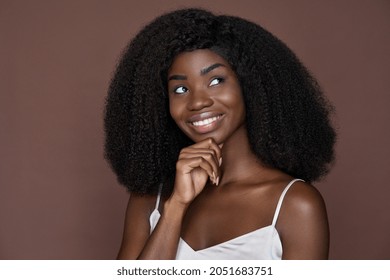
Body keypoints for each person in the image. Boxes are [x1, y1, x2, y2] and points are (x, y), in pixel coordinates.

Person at [104, 8, 336, 260]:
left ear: (250, 85)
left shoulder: (295, 205)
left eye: (216, 81)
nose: (197, 102)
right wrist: (175, 208)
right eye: (180, 88)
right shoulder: (150, 199)